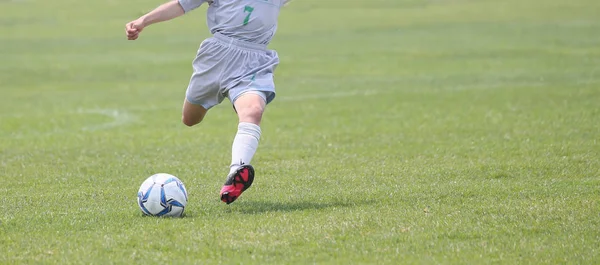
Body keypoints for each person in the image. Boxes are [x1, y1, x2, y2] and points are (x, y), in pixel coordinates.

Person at [125, 0, 288, 204]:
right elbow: (181, 4)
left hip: (253, 61)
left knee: (253, 111)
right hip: (217, 56)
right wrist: (143, 21)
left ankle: (237, 170)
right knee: (190, 118)